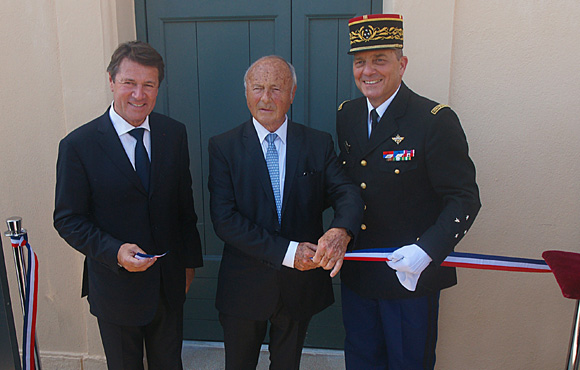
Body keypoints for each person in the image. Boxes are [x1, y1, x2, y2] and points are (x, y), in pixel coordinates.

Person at [337, 14, 481, 370]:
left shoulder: (433, 120)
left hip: (409, 279)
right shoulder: (348, 115)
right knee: (360, 362)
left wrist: (426, 251)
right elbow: (349, 185)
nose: (367, 71)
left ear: (402, 64)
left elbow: (464, 198)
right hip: (359, 276)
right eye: (360, 62)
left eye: (379, 60)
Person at [53, 40, 203, 370]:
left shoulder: (173, 134)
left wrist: (189, 264)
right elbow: (68, 219)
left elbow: (184, 206)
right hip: (115, 290)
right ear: (111, 81)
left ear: (158, 87)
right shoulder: (79, 145)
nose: (139, 94)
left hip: (167, 286)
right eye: (129, 83)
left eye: (148, 85)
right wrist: (115, 251)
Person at [208, 55, 363, 370]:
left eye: (276, 88)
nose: (266, 98)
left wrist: (341, 230)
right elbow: (225, 221)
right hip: (244, 287)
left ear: (292, 94)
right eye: (258, 88)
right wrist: (289, 252)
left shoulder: (317, 144)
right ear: (247, 93)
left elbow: (346, 192)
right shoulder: (223, 147)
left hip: (299, 288)